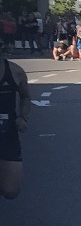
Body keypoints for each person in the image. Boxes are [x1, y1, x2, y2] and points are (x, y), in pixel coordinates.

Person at [0, 56, 30, 199]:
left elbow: (25, 97)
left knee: (11, 191)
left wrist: (23, 117)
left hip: (7, 134)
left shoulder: (14, 71)